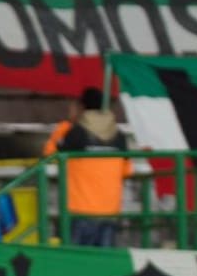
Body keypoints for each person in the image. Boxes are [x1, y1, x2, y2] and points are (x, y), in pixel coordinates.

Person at [42, 87, 131, 247]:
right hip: (110, 212)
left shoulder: (76, 132)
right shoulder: (119, 136)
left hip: (80, 210)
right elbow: (127, 170)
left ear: (81, 107)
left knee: (76, 265)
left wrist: (66, 124)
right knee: (104, 266)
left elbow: (50, 154)